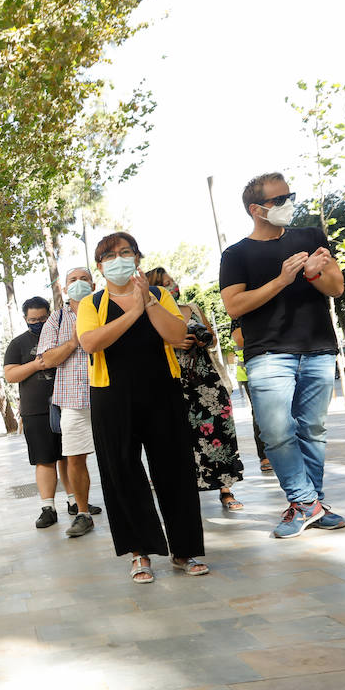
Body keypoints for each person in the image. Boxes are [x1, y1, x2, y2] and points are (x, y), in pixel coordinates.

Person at [220, 173, 345, 538]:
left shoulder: (310, 237)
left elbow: (336, 287)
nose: (288, 203)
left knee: (313, 430)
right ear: (256, 209)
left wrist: (311, 275)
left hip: (318, 348)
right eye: (279, 199)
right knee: (277, 433)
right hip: (268, 354)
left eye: (290, 195)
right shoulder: (237, 254)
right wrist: (281, 280)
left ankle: (310, 503)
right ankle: (308, 502)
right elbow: (233, 306)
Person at [76, 232, 208, 583]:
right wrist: (131, 311)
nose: (118, 259)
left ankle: (185, 549)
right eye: (110, 256)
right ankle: (139, 552)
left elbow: (176, 334)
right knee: (122, 473)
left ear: (137, 258)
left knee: (174, 469)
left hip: (161, 391)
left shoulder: (159, 294)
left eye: (125, 252)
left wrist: (146, 302)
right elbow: (91, 342)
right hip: (111, 398)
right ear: (100, 266)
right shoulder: (91, 303)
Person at [145, 268, 245, 511]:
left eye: (172, 282)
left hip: (207, 380)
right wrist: (173, 340)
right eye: (165, 284)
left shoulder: (193, 307)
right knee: (180, 437)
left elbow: (214, 339)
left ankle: (226, 489)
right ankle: (185, 490)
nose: (172, 287)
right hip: (173, 380)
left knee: (220, 431)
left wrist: (204, 339)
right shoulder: (149, 314)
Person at [36, 269, 104, 538]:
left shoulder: (105, 307)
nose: (78, 284)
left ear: (93, 284)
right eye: (72, 280)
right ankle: (83, 513)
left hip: (108, 393)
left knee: (120, 454)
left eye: (83, 278)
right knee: (74, 458)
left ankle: (127, 505)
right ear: (64, 289)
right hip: (73, 400)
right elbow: (47, 359)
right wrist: (76, 340)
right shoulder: (57, 318)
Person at [2, 296, 63, 528]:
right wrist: (37, 364)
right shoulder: (18, 344)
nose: (37, 323)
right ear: (25, 319)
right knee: (44, 460)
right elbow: (10, 375)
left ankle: (76, 503)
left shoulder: (62, 337)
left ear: (50, 315)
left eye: (42, 318)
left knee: (70, 458)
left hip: (67, 404)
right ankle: (48, 508)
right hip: (35, 411)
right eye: (32, 319)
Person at [230, 321, 271, 473]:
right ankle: (265, 456)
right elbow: (239, 338)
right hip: (251, 370)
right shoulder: (240, 312)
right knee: (259, 413)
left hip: (281, 363)